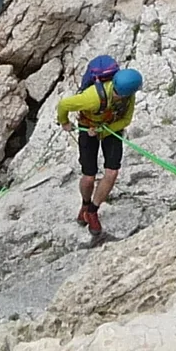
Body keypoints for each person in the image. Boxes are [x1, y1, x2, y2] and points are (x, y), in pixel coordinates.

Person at [56, 63, 144, 236]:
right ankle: (85, 203)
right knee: (89, 177)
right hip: (87, 128)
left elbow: (125, 120)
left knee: (111, 173)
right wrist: (64, 121)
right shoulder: (93, 97)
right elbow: (64, 105)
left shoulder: (128, 96)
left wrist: (103, 130)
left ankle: (93, 211)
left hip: (111, 128)